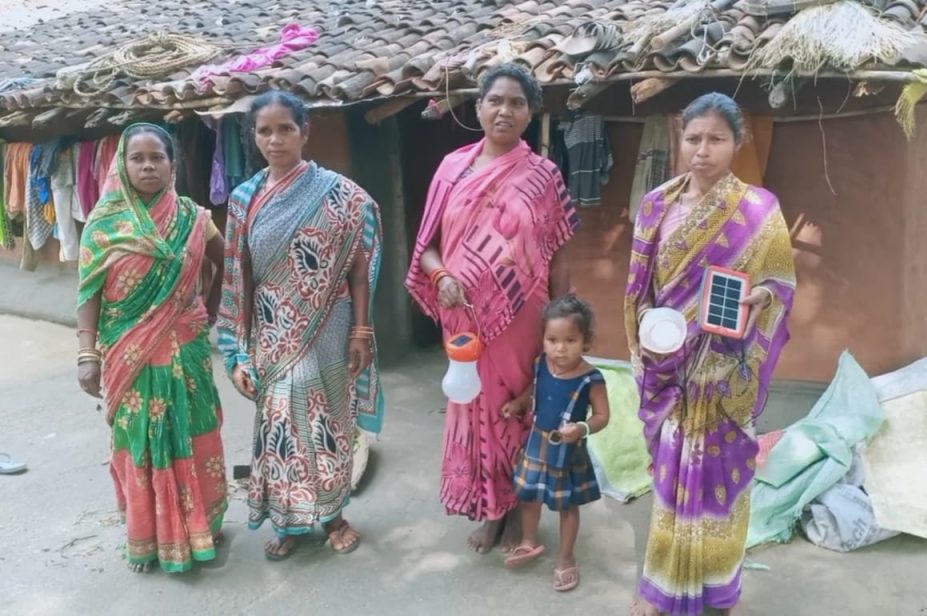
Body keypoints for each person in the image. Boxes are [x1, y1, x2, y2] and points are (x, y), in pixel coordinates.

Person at [625, 93, 797, 616]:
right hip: (669, 372)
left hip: (724, 375)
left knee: (723, 484)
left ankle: (722, 589)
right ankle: (659, 589)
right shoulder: (656, 206)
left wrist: (761, 296)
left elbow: (781, 283)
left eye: (716, 139)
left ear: (737, 143)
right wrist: (650, 344)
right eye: (693, 138)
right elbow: (638, 289)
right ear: (679, 139)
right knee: (671, 480)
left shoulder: (759, 211)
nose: (703, 150)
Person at [405, 62, 580, 553]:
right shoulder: (451, 169)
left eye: (517, 103)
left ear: (530, 113)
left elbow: (561, 251)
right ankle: (490, 509)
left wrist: (562, 318)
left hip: (524, 319)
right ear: (478, 107)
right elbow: (427, 248)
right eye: (495, 100)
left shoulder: (543, 176)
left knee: (518, 408)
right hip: (464, 318)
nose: (505, 110)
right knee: (474, 407)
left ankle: (518, 510)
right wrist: (440, 277)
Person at [217, 91, 384, 561]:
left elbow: (359, 267)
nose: (275, 139)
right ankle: (290, 519)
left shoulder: (340, 194)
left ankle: (333, 517)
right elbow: (238, 277)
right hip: (272, 332)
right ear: (253, 137)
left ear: (304, 132)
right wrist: (239, 350)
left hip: (330, 326)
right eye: (265, 131)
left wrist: (362, 331)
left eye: (285, 129)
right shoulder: (244, 200)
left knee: (326, 423)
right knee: (281, 427)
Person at [76, 123, 228, 573]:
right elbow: (89, 293)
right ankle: (148, 537)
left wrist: (207, 310)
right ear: (121, 166)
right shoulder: (102, 226)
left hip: (187, 348)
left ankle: (203, 526)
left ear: (172, 165)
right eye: (137, 158)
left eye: (156, 157)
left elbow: (225, 261)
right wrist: (87, 355)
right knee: (138, 439)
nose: (147, 166)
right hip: (128, 354)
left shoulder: (193, 218)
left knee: (195, 432)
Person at [502, 296, 610, 592]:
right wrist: (518, 403)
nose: (560, 348)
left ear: (586, 341)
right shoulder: (542, 364)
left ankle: (566, 557)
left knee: (567, 505)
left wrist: (582, 428)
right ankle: (528, 541)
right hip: (537, 441)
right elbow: (533, 389)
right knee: (529, 496)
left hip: (568, 450)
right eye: (552, 340)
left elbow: (603, 416)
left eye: (570, 340)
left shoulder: (591, 379)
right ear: (544, 339)